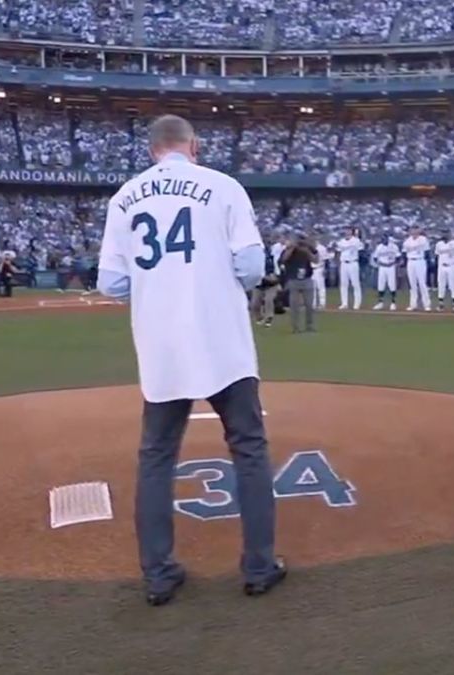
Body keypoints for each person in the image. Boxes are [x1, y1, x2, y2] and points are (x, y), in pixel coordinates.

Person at [96, 115, 286, 606]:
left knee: (156, 457)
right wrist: (211, 281)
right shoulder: (222, 185)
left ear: (153, 149)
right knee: (248, 446)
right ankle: (259, 567)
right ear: (193, 146)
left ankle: (159, 574)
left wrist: (158, 285)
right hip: (220, 337)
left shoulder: (124, 198)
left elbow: (111, 284)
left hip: (161, 343)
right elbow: (251, 266)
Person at [280, 232, 317, 334]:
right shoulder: (288, 250)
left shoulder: (307, 249)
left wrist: (307, 250)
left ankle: (309, 326)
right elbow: (284, 259)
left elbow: (315, 260)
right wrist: (292, 248)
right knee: (294, 305)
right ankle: (295, 327)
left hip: (307, 278)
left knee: (309, 305)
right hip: (293, 279)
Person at [402, 226, 432, 311]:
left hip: (420, 261)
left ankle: (426, 304)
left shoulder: (423, 239)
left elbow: (427, 251)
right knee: (412, 284)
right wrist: (404, 264)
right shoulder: (407, 241)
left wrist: (428, 262)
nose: (414, 231)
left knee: (422, 283)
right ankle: (413, 304)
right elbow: (404, 252)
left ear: (419, 231)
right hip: (410, 261)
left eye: (416, 230)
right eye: (412, 230)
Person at [251, 245, 281, 327]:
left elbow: (277, 271)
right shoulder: (254, 260)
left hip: (271, 283)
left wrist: (276, 279)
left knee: (269, 300)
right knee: (255, 303)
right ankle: (259, 318)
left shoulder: (272, 259)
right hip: (259, 283)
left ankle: (269, 318)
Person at [335, 227, 363, 310]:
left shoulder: (356, 240)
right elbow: (338, 252)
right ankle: (344, 303)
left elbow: (361, 249)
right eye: (346, 230)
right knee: (343, 284)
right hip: (344, 263)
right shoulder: (341, 242)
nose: (347, 232)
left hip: (353, 262)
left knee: (355, 284)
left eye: (349, 230)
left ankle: (357, 303)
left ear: (352, 232)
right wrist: (338, 263)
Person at [435, 231, 454, 312]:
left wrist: (453, 262)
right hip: (441, 266)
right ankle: (441, 304)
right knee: (441, 284)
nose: (445, 235)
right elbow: (437, 255)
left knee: (452, 285)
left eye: (446, 233)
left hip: (451, 266)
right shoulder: (439, 244)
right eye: (443, 233)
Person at [371, 234, 399, 310]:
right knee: (381, 284)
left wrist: (393, 263)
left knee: (392, 284)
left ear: (388, 239)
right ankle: (380, 302)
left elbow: (398, 257)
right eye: (382, 239)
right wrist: (380, 263)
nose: (384, 240)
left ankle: (393, 302)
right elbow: (375, 258)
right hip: (382, 267)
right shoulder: (379, 247)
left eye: (385, 239)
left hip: (391, 267)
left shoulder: (394, 247)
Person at [311, 236, 329, 310]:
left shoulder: (322, 248)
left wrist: (325, 269)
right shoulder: (309, 248)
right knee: (312, 288)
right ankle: (313, 304)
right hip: (311, 269)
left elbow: (326, 259)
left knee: (320, 287)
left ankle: (322, 303)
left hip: (319, 268)